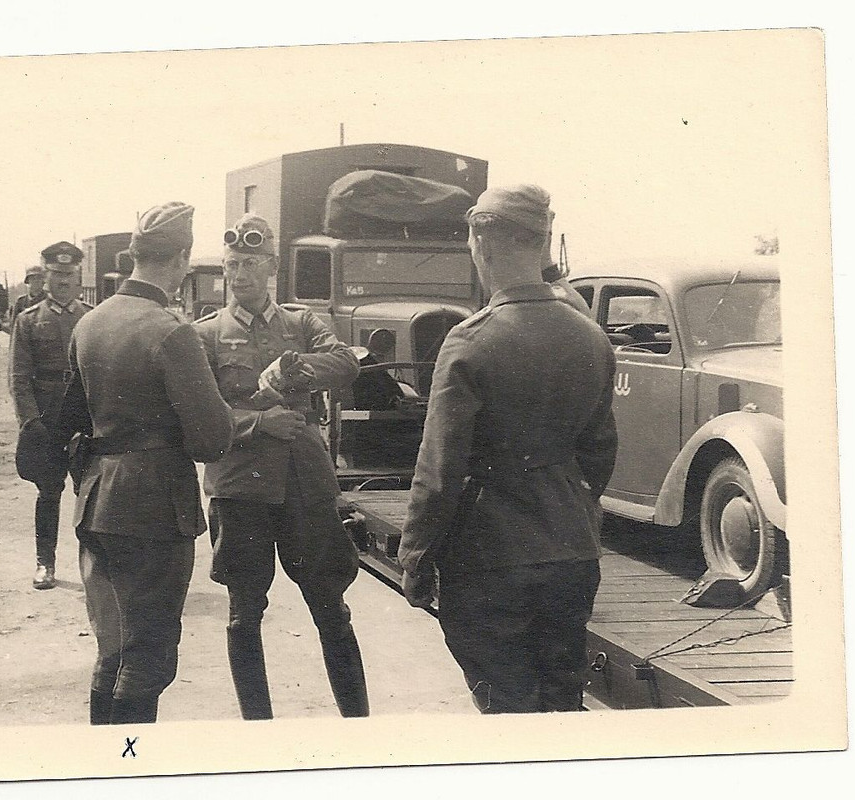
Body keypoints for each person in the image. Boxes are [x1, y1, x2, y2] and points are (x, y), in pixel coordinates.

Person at [399, 185, 618, 714]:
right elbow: (601, 451)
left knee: (507, 712)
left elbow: (440, 469)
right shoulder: (591, 337)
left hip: (490, 558)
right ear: (542, 243)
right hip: (572, 553)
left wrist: (416, 557)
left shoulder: (471, 341)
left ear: (483, 243)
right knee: (562, 704)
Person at [194, 213, 369, 720]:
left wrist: (291, 372)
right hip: (239, 489)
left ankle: (359, 728)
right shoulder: (205, 335)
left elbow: (346, 362)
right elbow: (200, 413)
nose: (241, 273)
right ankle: (260, 733)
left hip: (303, 485)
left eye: (251, 263)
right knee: (244, 614)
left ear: (271, 266)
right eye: (232, 264)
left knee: (330, 608)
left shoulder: (302, 323)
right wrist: (256, 422)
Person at [69, 202, 233, 725]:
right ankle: (129, 767)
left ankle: (102, 767)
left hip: (96, 502)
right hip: (153, 509)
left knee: (112, 649)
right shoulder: (171, 332)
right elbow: (211, 439)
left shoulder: (89, 324)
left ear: (134, 255)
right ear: (181, 260)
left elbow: (67, 421)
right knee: (146, 660)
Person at [9, 241, 93, 590]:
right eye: (56, 274)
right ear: (45, 278)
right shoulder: (29, 320)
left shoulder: (91, 317)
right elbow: (18, 377)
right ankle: (46, 563)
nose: (63, 281)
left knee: (91, 493)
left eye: (69, 275)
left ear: (78, 277)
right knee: (48, 492)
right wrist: (31, 422)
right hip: (48, 419)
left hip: (85, 418)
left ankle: (95, 566)